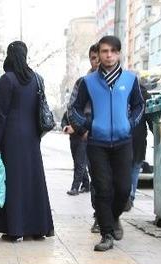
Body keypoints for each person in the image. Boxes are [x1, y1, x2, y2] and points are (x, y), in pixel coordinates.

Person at [69, 35, 144, 252]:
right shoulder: (88, 82)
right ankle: (107, 234)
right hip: (97, 143)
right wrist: (87, 126)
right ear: (99, 54)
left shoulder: (130, 79)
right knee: (102, 189)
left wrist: (130, 123)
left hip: (123, 141)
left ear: (119, 54)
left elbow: (139, 106)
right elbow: (74, 108)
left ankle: (113, 217)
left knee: (123, 189)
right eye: (104, 51)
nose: (108, 55)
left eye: (112, 51)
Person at [0, 41, 54, 241]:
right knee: (34, 180)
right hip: (32, 137)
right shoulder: (36, 78)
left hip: (12, 137)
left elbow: (1, 114)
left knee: (14, 182)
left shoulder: (8, 79)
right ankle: (38, 228)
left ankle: (15, 229)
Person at [61, 43, 98, 196]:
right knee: (80, 161)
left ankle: (84, 185)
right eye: (94, 58)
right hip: (83, 132)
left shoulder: (118, 81)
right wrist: (81, 129)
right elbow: (71, 109)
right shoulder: (83, 82)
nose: (97, 61)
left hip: (107, 134)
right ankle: (81, 186)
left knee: (89, 165)